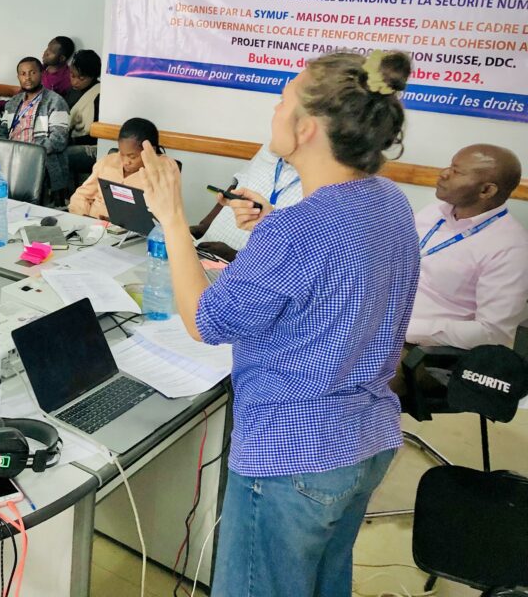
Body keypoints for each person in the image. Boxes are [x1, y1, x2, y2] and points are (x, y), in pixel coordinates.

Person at [140, 50, 419, 597]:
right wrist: (272, 224)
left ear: (307, 128)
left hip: (293, 457)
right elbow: (338, 272)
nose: (275, 109)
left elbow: (204, 321)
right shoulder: (389, 200)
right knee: (322, 583)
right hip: (365, 440)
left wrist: (171, 218)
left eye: (283, 100)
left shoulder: (295, 232)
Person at [406, 144, 528, 349]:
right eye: (450, 166)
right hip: (375, 318)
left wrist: (404, 329)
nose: (444, 173)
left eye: (457, 171)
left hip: (418, 345)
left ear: (487, 190)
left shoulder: (510, 249)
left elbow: (493, 333)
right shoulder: (433, 213)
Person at [189, 144, 303, 262]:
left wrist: (235, 257)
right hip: (203, 252)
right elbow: (236, 186)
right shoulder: (268, 150)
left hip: (241, 266)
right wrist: (202, 227)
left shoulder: (314, 195)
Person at [0, 56, 70, 199]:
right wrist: (5, 151)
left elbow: (58, 139)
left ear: (42, 74)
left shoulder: (55, 101)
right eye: (23, 74)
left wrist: (30, 153)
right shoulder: (13, 102)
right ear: (18, 77)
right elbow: (2, 131)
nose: (28, 78)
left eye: (32, 72)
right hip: (11, 157)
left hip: (38, 160)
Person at [68, 118, 157, 220]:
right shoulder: (107, 163)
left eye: (132, 157)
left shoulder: (158, 175)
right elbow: (82, 195)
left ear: (150, 150)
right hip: (92, 223)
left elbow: (157, 218)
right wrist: (84, 218)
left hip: (129, 228)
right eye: (122, 154)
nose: (126, 162)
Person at [65, 49, 103, 189]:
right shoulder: (72, 92)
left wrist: (72, 141)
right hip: (70, 140)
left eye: (81, 78)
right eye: (72, 75)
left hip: (92, 146)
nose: (75, 81)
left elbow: (96, 136)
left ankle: (65, 196)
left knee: (60, 156)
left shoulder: (99, 95)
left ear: (92, 76)